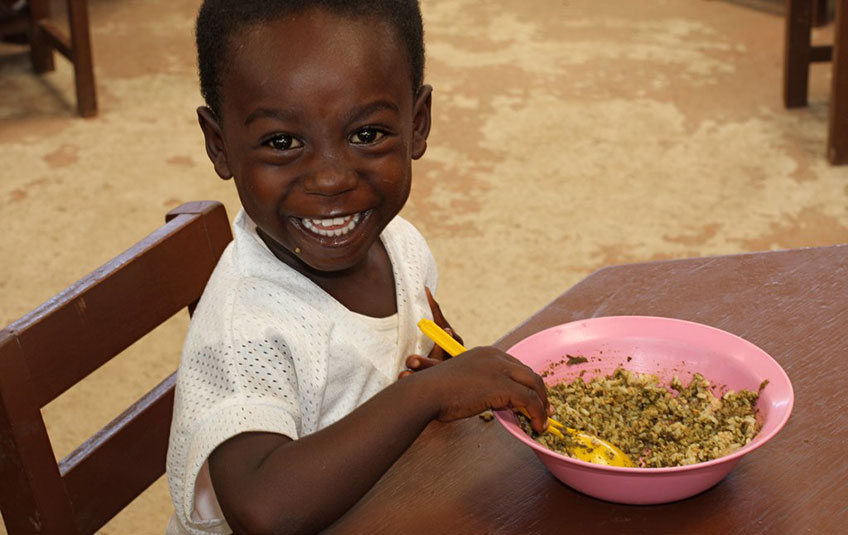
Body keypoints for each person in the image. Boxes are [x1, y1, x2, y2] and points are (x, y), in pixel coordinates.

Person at [166, 1, 551, 534]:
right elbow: (264, 509)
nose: (330, 178)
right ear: (219, 144)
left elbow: (413, 353)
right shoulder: (244, 326)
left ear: (417, 124)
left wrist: (443, 366)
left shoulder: (400, 244)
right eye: (283, 143)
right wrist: (426, 394)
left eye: (366, 134)